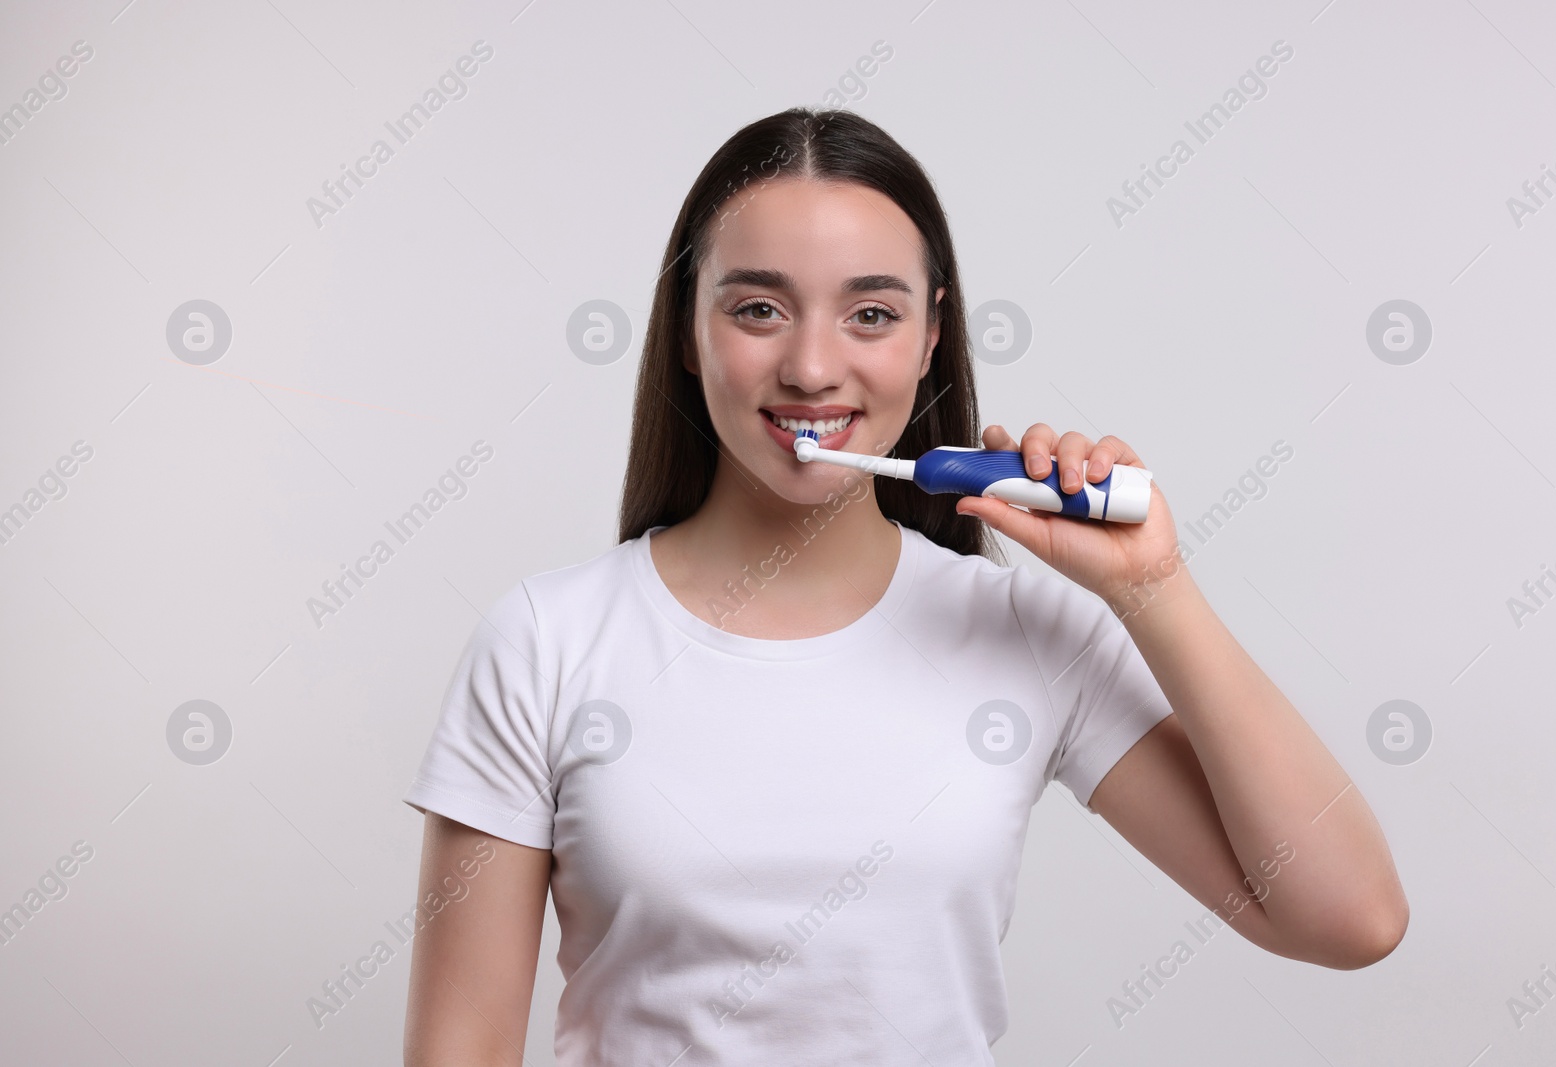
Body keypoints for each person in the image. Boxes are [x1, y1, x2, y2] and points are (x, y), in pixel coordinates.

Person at [400, 107, 1408, 1066]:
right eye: (756, 308)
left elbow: (1349, 916)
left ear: (931, 336)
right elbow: (461, 1048)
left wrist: (1155, 588)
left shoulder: (1022, 629)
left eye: (870, 313)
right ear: (684, 329)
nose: (809, 363)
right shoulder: (546, 640)